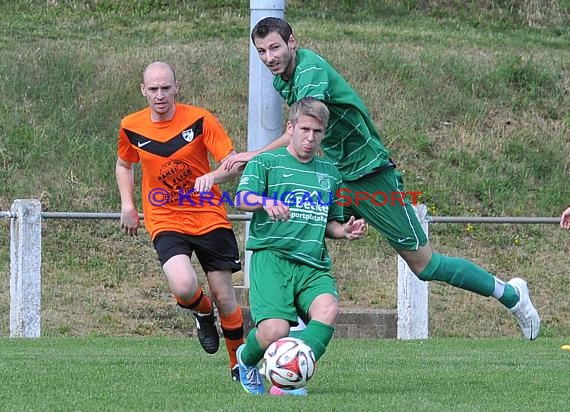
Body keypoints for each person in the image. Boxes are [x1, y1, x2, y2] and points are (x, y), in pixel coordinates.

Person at [224, 17, 540, 340]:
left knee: (425, 265)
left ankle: (511, 294)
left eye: (274, 47)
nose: (269, 58)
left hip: (370, 175)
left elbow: (303, 125)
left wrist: (254, 155)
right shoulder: (285, 80)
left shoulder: (308, 72)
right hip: (338, 176)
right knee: (297, 225)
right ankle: (293, 335)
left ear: (293, 43)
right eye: (261, 51)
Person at [115, 61, 245, 381]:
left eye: (166, 88)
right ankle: (202, 312)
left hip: (209, 214)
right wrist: (128, 204)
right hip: (164, 216)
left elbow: (232, 164)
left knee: (225, 296)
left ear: (177, 87)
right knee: (185, 286)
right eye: (153, 89)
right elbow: (124, 165)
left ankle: (239, 366)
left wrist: (212, 176)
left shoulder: (200, 119)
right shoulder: (131, 126)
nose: (160, 95)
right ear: (143, 90)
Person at [233, 97, 366, 396]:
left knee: (328, 309)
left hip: (312, 263)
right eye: (304, 129)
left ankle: (287, 378)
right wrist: (266, 202)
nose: (310, 138)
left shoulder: (330, 173)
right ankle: (247, 358)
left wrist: (344, 230)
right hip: (272, 258)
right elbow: (241, 199)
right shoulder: (266, 162)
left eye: (317, 132)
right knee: (274, 331)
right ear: (290, 127)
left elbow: (331, 222)